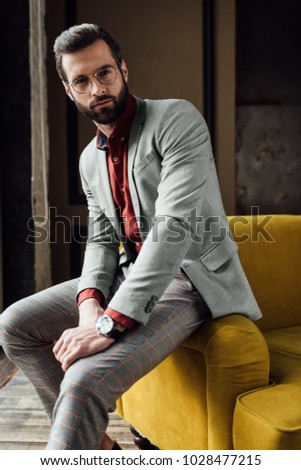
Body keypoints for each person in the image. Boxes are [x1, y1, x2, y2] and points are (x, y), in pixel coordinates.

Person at [0, 23, 261, 450]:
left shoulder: (176, 119)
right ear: (69, 92)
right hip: (132, 272)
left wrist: (108, 323)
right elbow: (102, 239)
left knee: (83, 382)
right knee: (14, 325)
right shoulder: (89, 160)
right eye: (82, 80)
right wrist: (89, 305)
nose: (96, 87)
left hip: (190, 278)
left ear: (122, 69)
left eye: (104, 73)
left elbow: (173, 227)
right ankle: (96, 447)